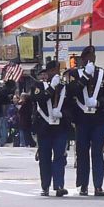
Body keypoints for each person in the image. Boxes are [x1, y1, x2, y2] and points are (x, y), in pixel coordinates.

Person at [66, 45, 104, 197]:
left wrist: (99, 103)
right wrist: (85, 76)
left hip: (99, 119)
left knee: (98, 153)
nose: (90, 60)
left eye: (93, 57)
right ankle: (83, 185)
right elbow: (71, 92)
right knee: (82, 153)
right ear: (83, 58)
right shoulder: (74, 74)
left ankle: (98, 185)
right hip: (82, 119)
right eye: (88, 57)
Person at [33, 61, 70, 197]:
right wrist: (52, 88)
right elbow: (39, 99)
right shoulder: (38, 86)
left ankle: (59, 185)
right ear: (47, 72)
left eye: (57, 70)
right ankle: (45, 186)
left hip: (60, 127)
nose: (56, 73)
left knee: (60, 156)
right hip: (44, 127)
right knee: (45, 157)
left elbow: (70, 106)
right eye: (53, 71)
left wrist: (63, 114)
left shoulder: (64, 87)